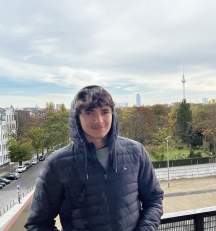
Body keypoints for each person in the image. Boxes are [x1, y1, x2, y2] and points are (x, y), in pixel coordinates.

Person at [25, 85, 164, 231]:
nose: (99, 120)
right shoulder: (57, 164)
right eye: (89, 112)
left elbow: (154, 199)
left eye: (105, 112)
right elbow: (38, 223)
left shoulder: (136, 152)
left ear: (112, 114)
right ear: (77, 117)